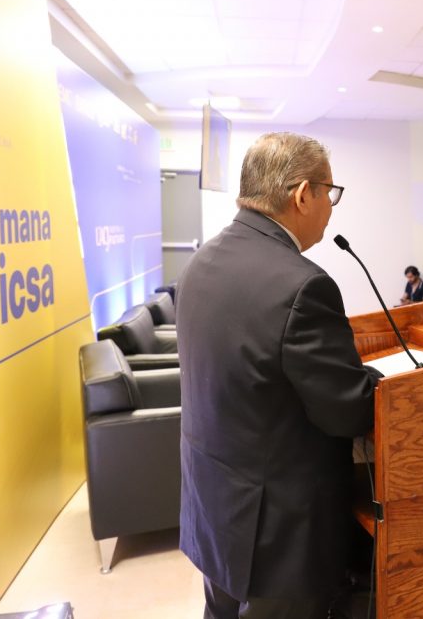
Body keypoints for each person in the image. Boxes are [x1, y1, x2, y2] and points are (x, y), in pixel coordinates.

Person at [177, 132, 381, 619]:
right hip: (277, 531)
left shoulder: (202, 260)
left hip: (216, 500)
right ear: (303, 194)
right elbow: (346, 411)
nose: (331, 208)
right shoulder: (303, 285)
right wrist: (376, 380)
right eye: (330, 193)